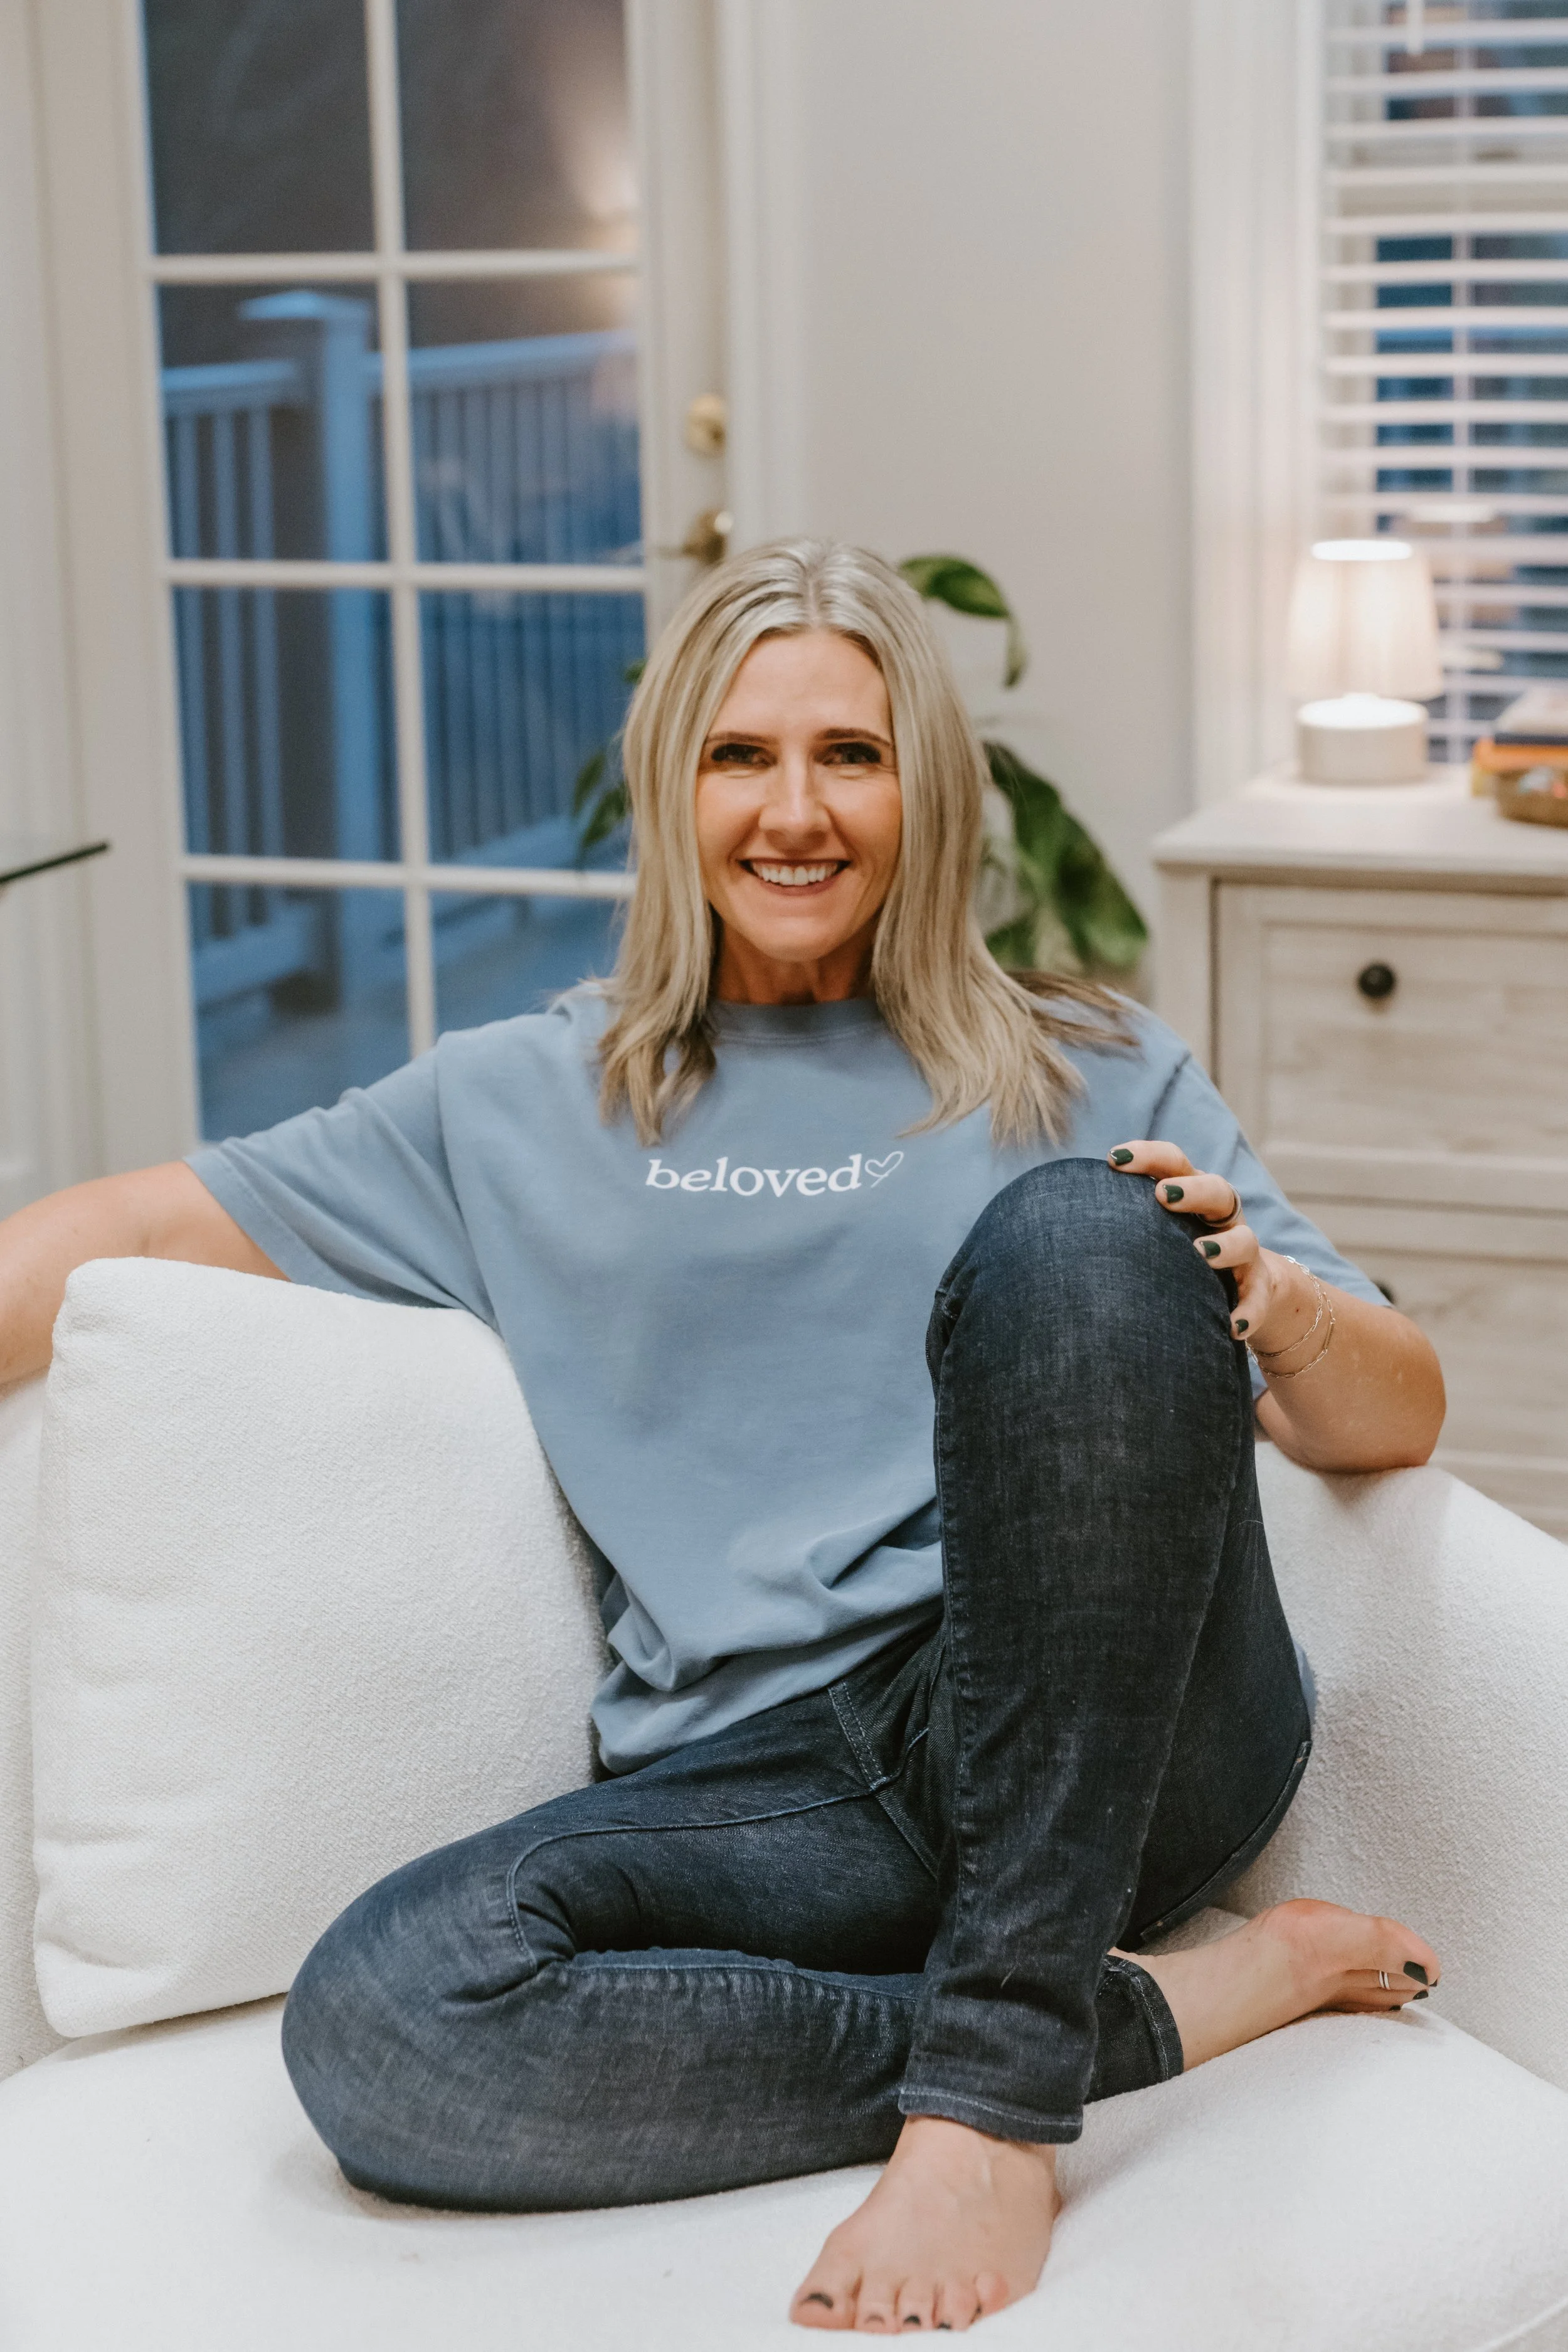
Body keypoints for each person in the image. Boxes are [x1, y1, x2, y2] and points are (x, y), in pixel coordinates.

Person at [0, 542, 1444, 2334]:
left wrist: (1270, 1301)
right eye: (738, 756)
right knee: (384, 2015)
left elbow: (1402, 1410)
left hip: (1121, 1730)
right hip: (778, 1796)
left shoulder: (1091, 1060)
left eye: (850, 752)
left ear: (927, 785)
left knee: (1081, 1230)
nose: (795, 811)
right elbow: (130, 1229)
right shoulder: (524, 1098)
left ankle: (991, 2095)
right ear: (671, 785)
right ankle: (1154, 2006)